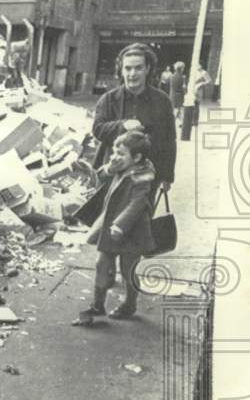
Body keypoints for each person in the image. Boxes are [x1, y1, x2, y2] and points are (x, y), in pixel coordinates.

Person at [74, 130, 157, 325]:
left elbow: (137, 204)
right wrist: (109, 168)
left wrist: (120, 225)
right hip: (110, 225)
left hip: (132, 230)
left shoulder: (142, 177)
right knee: (102, 264)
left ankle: (129, 304)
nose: (115, 157)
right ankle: (98, 304)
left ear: (137, 158)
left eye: (121, 153)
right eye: (114, 152)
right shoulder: (121, 167)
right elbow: (101, 178)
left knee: (128, 269)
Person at [91, 43, 176, 196]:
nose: (132, 73)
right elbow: (97, 129)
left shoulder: (163, 101)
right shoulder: (108, 99)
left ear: (147, 69)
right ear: (121, 70)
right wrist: (122, 125)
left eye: (138, 68)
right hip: (112, 174)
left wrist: (167, 176)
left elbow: (169, 141)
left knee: (141, 211)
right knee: (107, 210)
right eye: (128, 68)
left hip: (148, 177)